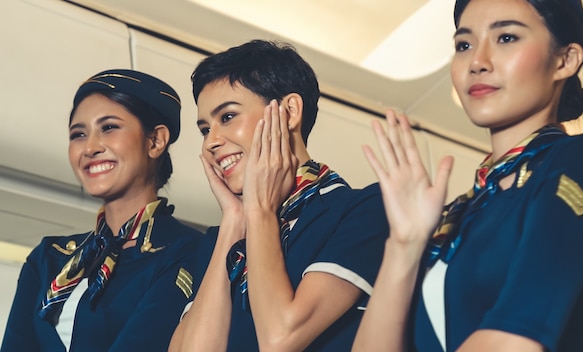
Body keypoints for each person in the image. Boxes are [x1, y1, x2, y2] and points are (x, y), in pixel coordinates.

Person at [353, 0, 583, 351]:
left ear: (565, 60)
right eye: (464, 44)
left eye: (506, 37)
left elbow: (514, 342)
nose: (477, 61)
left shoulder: (578, 162)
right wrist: (404, 244)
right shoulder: (464, 208)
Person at [169, 40, 389, 351]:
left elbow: (281, 338)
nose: (210, 143)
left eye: (228, 117)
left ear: (289, 112)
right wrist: (234, 220)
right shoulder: (222, 241)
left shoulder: (364, 209)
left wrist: (259, 211)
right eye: (205, 129)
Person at [1, 69, 204, 352]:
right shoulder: (48, 258)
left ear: (155, 141)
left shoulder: (187, 251)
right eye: (78, 134)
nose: (90, 147)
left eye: (109, 127)